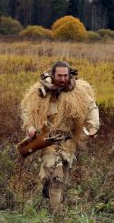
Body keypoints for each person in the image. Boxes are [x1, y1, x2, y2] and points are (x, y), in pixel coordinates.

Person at [20, 61, 100, 214]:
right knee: (56, 177)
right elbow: (27, 110)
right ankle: (57, 218)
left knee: (62, 179)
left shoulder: (79, 91)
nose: (63, 79)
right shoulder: (40, 92)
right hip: (47, 141)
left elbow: (92, 108)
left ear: (69, 75)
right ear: (53, 75)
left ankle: (48, 189)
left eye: (65, 75)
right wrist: (30, 127)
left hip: (68, 142)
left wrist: (92, 127)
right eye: (59, 75)